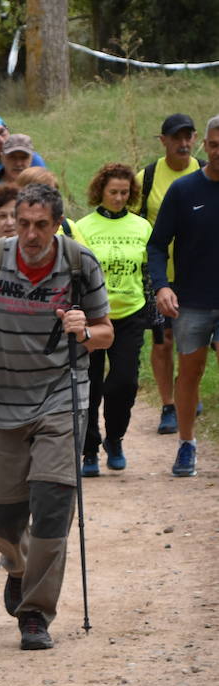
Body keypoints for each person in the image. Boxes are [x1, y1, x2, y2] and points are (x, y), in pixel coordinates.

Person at [0, 184, 113, 650]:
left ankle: (35, 613)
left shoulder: (81, 264)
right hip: (2, 400)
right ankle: (19, 566)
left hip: (62, 396)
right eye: (23, 223)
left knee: (52, 505)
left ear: (57, 225)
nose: (29, 233)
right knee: (0, 518)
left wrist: (84, 330)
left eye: (40, 225)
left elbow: (106, 332)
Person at [147, 115, 219, 477]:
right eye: (216, 145)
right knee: (191, 371)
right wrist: (161, 286)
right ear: (206, 146)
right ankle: (187, 444)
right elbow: (157, 245)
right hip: (191, 298)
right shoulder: (184, 191)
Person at [74, 163, 153, 476]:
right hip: (93, 316)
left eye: (125, 192)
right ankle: (90, 450)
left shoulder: (142, 227)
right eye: (113, 192)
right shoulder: (84, 227)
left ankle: (115, 438)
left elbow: (148, 273)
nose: (119, 198)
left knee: (124, 382)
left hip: (130, 312)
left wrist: (156, 320)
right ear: (100, 192)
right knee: (90, 386)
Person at [135, 114, 206, 435]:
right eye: (176, 137)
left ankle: (188, 392)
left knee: (196, 341)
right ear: (162, 140)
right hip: (160, 276)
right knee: (163, 340)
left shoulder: (206, 172)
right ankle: (168, 404)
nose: (183, 143)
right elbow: (132, 224)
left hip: (199, 275)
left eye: (189, 136)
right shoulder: (147, 177)